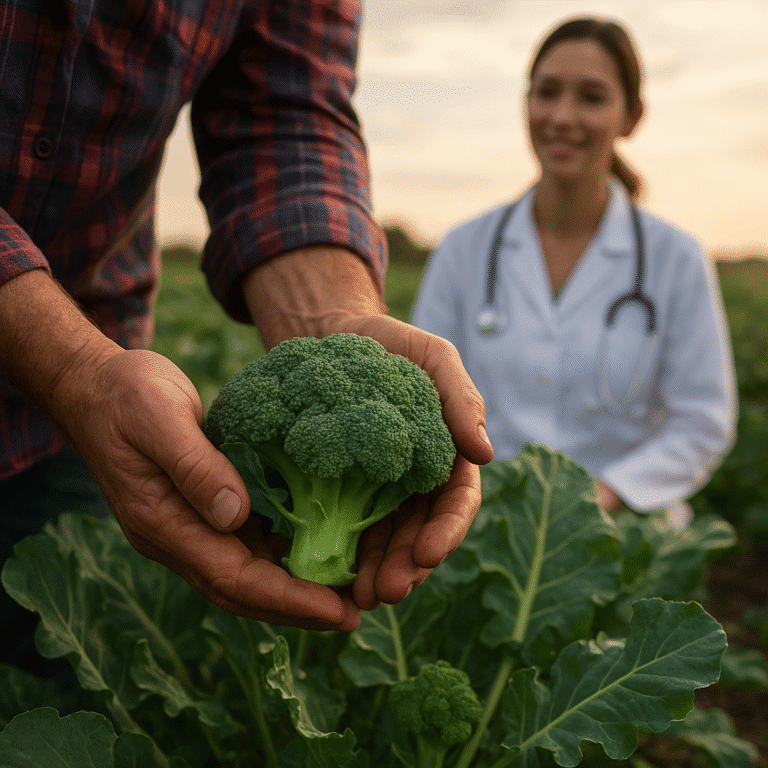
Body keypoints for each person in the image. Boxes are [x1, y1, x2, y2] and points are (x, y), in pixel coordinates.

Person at [0, 0, 493, 668]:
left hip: (76, 404)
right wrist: (67, 368)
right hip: (82, 377)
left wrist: (327, 317)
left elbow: (282, 112)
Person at [411, 16, 736, 527]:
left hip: (626, 529)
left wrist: (600, 497)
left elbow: (703, 422)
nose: (562, 116)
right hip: (486, 524)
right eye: (547, 92)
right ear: (526, 103)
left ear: (631, 117)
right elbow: (425, 397)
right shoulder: (463, 249)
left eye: (591, 97)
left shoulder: (677, 258)